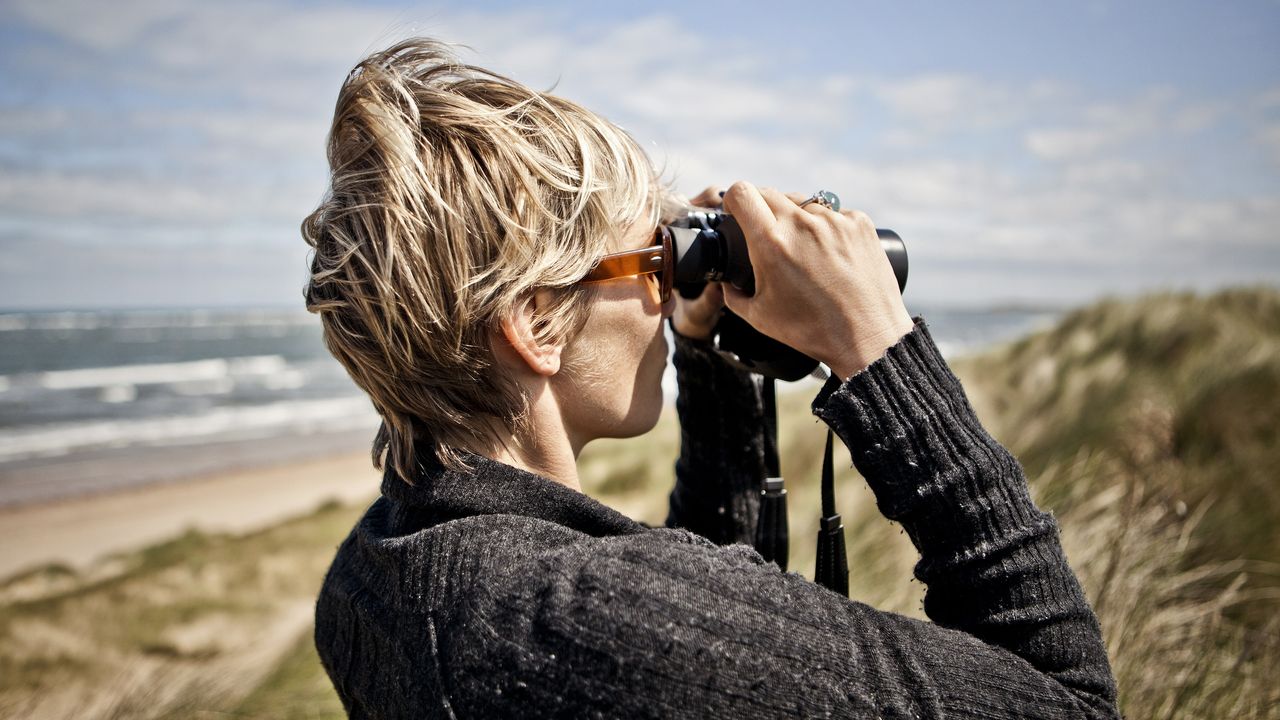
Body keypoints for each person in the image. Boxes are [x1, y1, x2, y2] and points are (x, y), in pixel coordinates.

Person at [304, 38, 1119, 719]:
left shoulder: (370, 577)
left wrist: (709, 349)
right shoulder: (590, 619)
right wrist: (878, 346)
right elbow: (1069, 700)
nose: (668, 295)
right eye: (653, 262)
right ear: (535, 322)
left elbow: (695, 622)